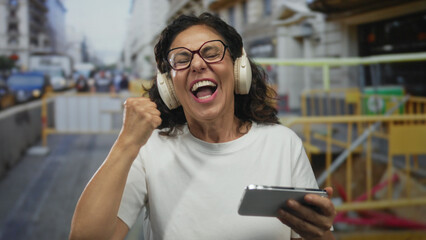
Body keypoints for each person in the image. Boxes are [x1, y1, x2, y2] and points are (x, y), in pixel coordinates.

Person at [69, 13, 336, 240]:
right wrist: (126, 143)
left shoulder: (283, 143)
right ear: (169, 85)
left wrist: (320, 233)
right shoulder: (150, 150)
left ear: (238, 68)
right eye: (181, 59)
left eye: (211, 52)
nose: (197, 64)